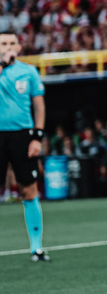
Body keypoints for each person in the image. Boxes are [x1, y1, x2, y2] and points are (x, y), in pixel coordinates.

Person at [0, 31, 49, 261]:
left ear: (19, 47)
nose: (7, 47)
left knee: (29, 189)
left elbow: (39, 106)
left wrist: (37, 137)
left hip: (22, 135)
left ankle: (37, 248)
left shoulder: (28, 71)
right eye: (3, 43)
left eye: (11, 43)